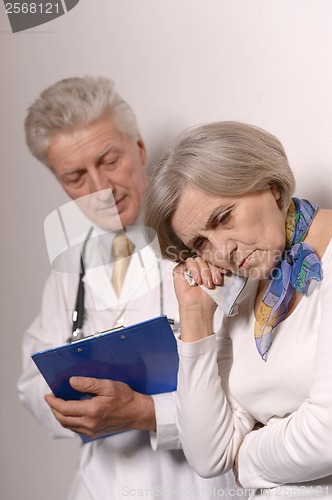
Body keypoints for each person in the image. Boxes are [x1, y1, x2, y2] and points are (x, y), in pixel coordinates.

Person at [17, 77, 239, 500]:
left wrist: (147, 413)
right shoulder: (71, 267)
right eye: (76, 176)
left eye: (109, 160)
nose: (100, 188)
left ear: (138, 148)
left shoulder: (208, 241)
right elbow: (31, 380)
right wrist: (75, 405)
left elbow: (251, 386)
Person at [143, 121, 332, 498]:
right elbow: (208, 455)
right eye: (200, 242)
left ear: (270, 186)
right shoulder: (246, 297)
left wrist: (244, 459)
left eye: (223, 217)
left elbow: (327, 434)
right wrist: (196, 315)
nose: (221, 251)